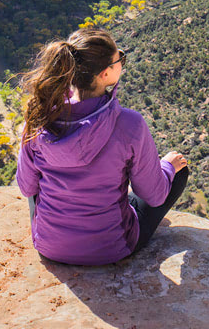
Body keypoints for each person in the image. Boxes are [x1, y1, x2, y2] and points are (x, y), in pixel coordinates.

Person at [15, 27, 190, 265]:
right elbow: (154, 195)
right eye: (120, 58)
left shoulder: (39, 118)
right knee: (178, 171)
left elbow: (27, 188)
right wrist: (167, 168)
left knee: (38, 177)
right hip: (112, 248)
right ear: (105, 74)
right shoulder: (130, 124)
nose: (122, 61)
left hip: (49, 246)